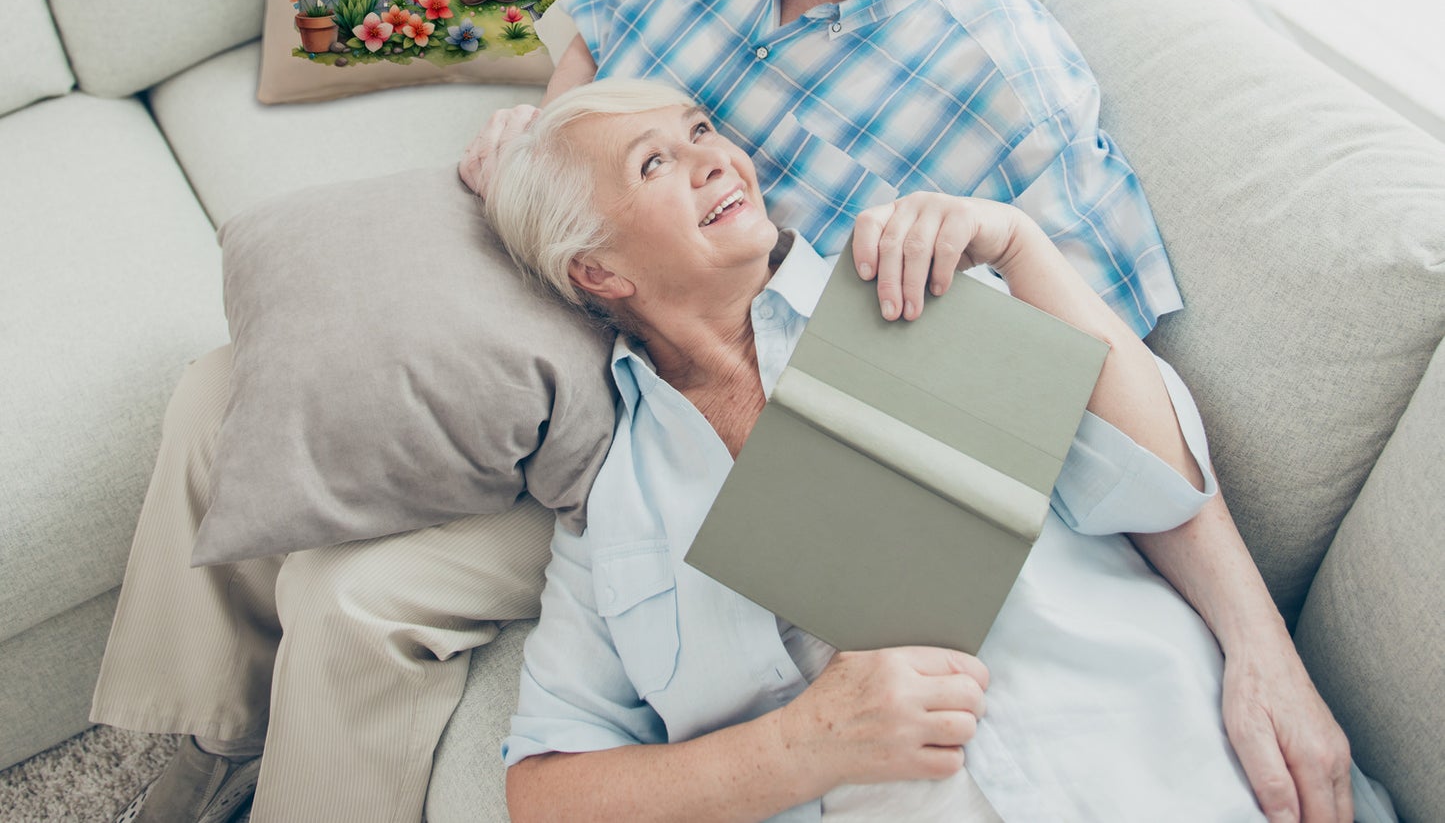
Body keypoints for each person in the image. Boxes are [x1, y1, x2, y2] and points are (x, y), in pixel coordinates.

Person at [95, 0, 1349, 823]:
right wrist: (546, 140)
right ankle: (191, 743)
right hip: (582, 268)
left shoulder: (1017, 102)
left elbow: (1102, 395)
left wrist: (1259, 644)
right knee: (228, 386)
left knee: (355, 597)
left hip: (693, 390)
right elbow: (593, 50)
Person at [487, 79, 1384, 823]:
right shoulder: (614, 510)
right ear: (597, 271)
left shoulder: (909, 285)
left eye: (700, 130)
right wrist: (803, 745)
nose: (715, 157)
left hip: (1175, 770)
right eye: (655, 162)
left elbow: (1158, 484)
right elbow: (545, 790)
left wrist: (1021, 247)